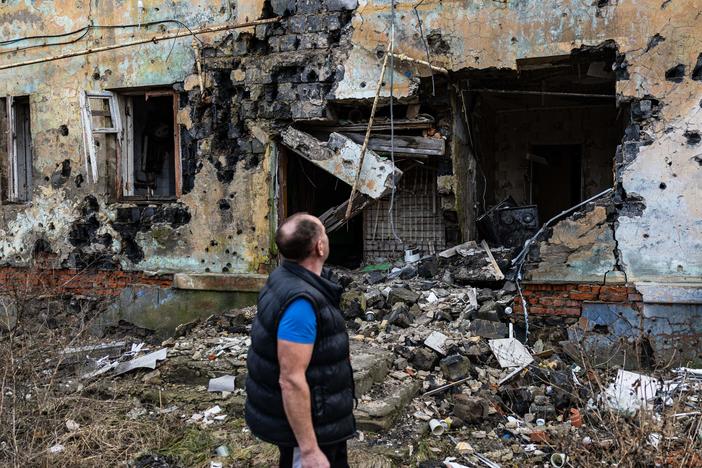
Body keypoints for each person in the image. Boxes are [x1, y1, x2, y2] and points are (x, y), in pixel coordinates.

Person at [245, 213, 356, 468]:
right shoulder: (300, 304)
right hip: (313, 426)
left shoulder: (286, 278)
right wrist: (308, 451)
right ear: (319, 246)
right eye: (324, 233)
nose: (326, 237)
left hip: (324, 416)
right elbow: (291, 379)